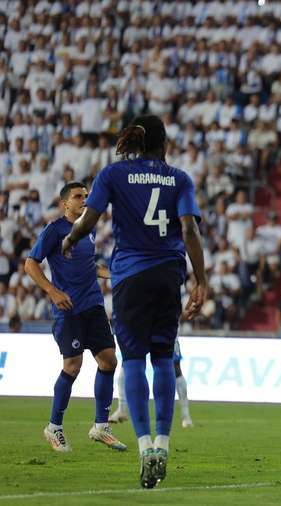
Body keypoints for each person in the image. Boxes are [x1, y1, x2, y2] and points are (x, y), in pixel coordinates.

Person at [61, 115, 208, 488]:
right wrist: (201, 280)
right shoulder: (180, 178)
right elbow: (189, 229)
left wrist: (71, 239)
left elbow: (89, 219)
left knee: (135, 362)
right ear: (165, 144)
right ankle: (163, 442)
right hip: (167, 276)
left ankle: (144, 446)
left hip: (130, 277)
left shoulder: (113, 174)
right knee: (163, 359)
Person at [24, 182, 127, 453]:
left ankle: (101, 426)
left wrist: (114, 274)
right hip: (68, 308)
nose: (84, 200)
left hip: (93, 304)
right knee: (72, 366)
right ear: (64, 204)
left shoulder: (87, 228)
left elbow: (86, 265)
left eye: (86, 196)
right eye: (78, 197)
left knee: (108, 360)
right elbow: (30, 264)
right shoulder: (54, 230)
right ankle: (54, 427)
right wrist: (52, 291)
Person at [110, 337, 192, 429]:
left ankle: (185, 415)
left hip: (163, 329)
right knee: (128, 361)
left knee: (175, 368)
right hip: (140, 329)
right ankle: (121, 409)